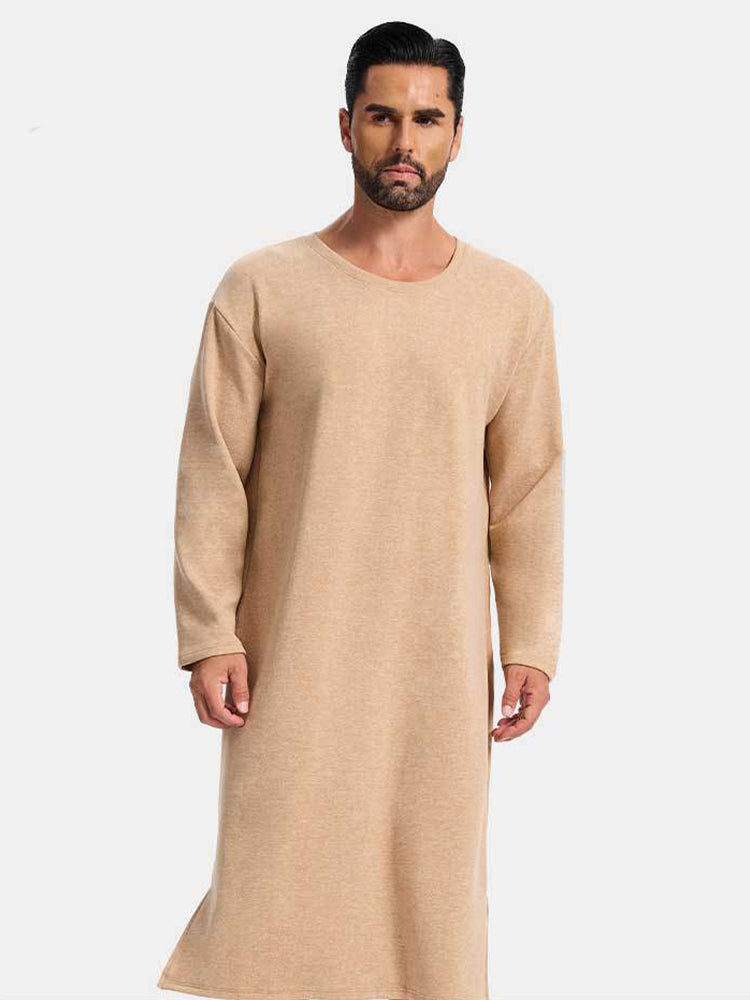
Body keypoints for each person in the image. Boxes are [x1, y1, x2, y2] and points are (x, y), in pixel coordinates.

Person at [157, 20, 564, 1000]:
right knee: (270, 894)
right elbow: (213, 470)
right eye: (382, 116)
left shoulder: (510, 305)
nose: (403, 142)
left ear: (458, 134)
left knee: (427, 898)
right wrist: (208, 632)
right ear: (346, 126)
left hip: (437, 660)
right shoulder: (263, 287)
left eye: (426, 119)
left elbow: (528, 488)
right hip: (292, 646)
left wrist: (532, 644)